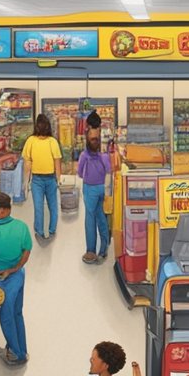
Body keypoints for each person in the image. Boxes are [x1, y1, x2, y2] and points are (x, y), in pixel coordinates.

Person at [0, 192, 33, 366]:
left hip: (0, 279)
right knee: (17, 313)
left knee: (6, 315)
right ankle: (22, 348)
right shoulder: (22, 227)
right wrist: (15, 269)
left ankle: (17, 354)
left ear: (1, 210)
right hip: (18, 275)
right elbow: (27, 251)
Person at [76, 111, 111, 264]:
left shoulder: (84, 155)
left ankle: (90, 250)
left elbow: (79, 173)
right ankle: (103, 249)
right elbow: (109, 170)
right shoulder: (104, 154)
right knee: (101, 216)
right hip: (103, 187)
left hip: (90, 188)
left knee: (90, 218)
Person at [21, 113, 62, 239]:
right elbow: (57, 162)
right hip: (41, 179)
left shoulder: (33, 141)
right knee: (50, 206)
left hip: (43, 180)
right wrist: (58, 178)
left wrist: (25, 182)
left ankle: (44, 231)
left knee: (43, 207)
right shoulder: (49, 141)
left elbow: (28, 163)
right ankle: (47, 230)